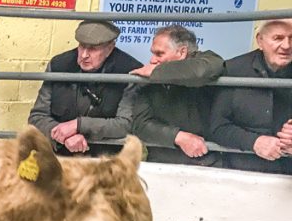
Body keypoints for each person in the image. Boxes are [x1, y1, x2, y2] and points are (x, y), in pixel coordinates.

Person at [28, 20, 142, 155]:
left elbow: (126, 125)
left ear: (110, 48)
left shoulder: (129, 72)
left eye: (93, 49)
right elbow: (37, 116)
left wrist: (79, 125)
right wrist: (63, 134)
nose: (84, 55)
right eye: (82, 46)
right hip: (61, 154)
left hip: (106, 158)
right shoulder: (59, 65)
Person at [130, 24, 224, 166]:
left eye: (159, 54)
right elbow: (140, 124)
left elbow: (201, 71)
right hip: (162, 160)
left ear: (182, 52)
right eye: (153, 53)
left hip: (206, 161)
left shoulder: (208, 59)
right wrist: (177, 137)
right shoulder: (150, 76)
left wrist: (159, 72)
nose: (152, 60)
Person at [209, 19, 292, 174]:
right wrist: (254, 142)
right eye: (278, 38)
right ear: (260, 41)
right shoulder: (234, 69)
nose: (287, 45)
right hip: (240, 172)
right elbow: (217, 127)